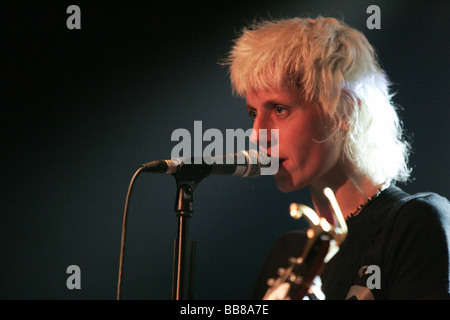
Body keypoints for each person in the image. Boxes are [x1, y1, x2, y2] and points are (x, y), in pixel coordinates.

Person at [223, 16, 450, 299]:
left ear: (344, 110)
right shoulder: (288, 253)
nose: (256, 135)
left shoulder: (413, 222)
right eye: (253, 113)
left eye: (279, 109)